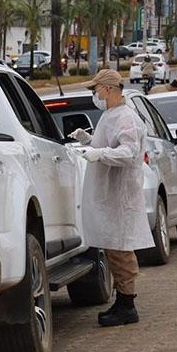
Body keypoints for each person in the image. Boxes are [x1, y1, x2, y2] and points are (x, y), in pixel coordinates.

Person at [68, 69, 153, 326]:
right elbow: (110, 143)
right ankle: (123, 301)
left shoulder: (125, 117)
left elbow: (127, 152)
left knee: (121, 249)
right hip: (111, 194)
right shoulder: (111, 115)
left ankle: (127, 305)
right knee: (115, 247)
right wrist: (89, 140)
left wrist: (100, 153)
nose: (94, 95)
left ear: (107, 89)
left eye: (95, 90)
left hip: (120, 194)